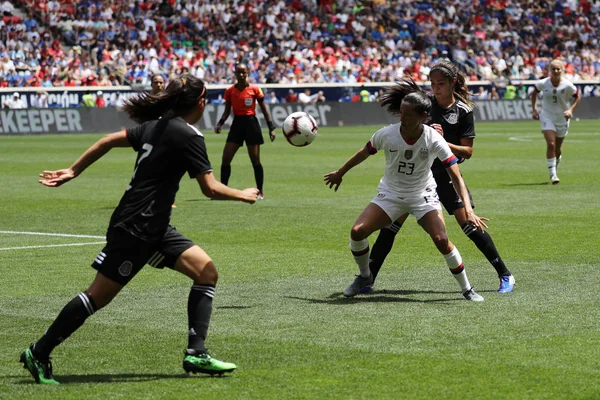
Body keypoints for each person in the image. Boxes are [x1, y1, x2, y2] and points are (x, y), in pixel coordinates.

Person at [20, 74, 259, 385]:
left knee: (206, 272)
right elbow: (209, 189)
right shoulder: (188, 135)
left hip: (153, 225)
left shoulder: (156, 125)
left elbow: (107, 140)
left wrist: (72, 170)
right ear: (200, 102)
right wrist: (243, 193)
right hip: (137, 227)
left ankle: (196, 353)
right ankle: (38, 352)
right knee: (97, 296)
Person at [324, 81, 487, 302]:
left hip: (423, 195)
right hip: (390, 194)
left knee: (441, 239)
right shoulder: (386, 134)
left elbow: (456, 176)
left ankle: (467, 289)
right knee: (357, 232)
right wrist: (340, 172)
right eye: (401, 112)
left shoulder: (433, 139)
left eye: (408, 114)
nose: (402, 117)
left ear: (423, 116)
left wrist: (468, 209)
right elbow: (363, 153)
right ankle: (364, 276)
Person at [368, 62, 515, 294]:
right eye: (432, 84)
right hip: (418, 174)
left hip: (446, 174)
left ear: (453, 83)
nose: (435, 88)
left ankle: (505, 275)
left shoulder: (464, 111)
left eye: (441, 84)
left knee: (469, 222)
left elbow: (468, 152)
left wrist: (441, 141)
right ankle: (368, 279)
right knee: (391, 225)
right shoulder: (425, 105)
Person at [214, 63, 276, 200]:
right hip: (237, 124)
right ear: (235, 74)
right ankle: (223, 191)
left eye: (244, 72)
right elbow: (226, 111)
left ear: (248, 72)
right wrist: (220, 123)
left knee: (255, 160)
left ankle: (260, 192)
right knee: (226, 158)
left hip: (251, 124)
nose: (241, 75)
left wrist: (271, 127)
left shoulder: (255, 89)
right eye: (239, 72)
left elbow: (264, 109)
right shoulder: (229, 91)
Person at [531, 59, 581, 185]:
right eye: (553, 69)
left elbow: (577, 96)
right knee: (551, 144)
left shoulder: (568, 85)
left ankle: (556, 161)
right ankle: (553, 175)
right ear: (549, 71)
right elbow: (534, 93)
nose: (556, 71)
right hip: (547, 117)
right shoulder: (543, 83)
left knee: (557, 149)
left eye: (558, 69)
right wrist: (534, 110)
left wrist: (570, 110)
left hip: (562, 119)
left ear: (562, 70)